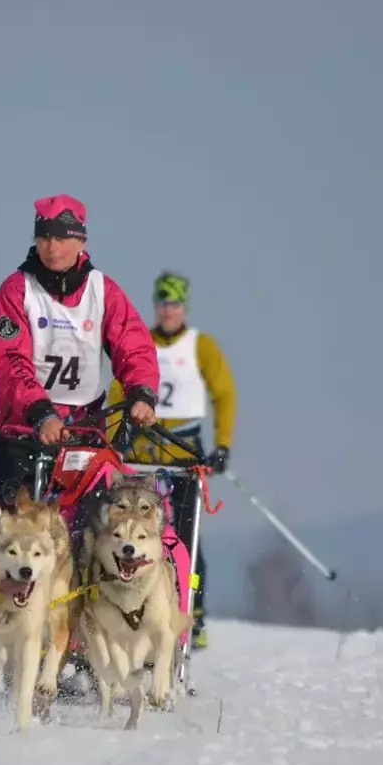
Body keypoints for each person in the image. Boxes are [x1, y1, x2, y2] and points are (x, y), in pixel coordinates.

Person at [0, 194, 161, 514]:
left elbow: (134, 348)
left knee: (85, 526)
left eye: (61, 238)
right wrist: (41, 413)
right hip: (20, 430)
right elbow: (9, 361)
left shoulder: (103, 292)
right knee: (29, 536)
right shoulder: (16, 290)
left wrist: (142, 392)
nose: (52, 248)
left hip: (83, 428)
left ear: (81, 240)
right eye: (44, 237)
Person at [105, 269, 236, 649]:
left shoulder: (201, 347)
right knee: (134, 533)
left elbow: (224, 394)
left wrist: (222, 444)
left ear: (185, 307)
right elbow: (118, 389)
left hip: (183, 456)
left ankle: (194, 613)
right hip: (140, 456)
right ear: (156, 305)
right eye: (163, 303)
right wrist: (115, 439)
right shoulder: (141, 341)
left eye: (175, 304)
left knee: (186, 540)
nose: (169, 310)